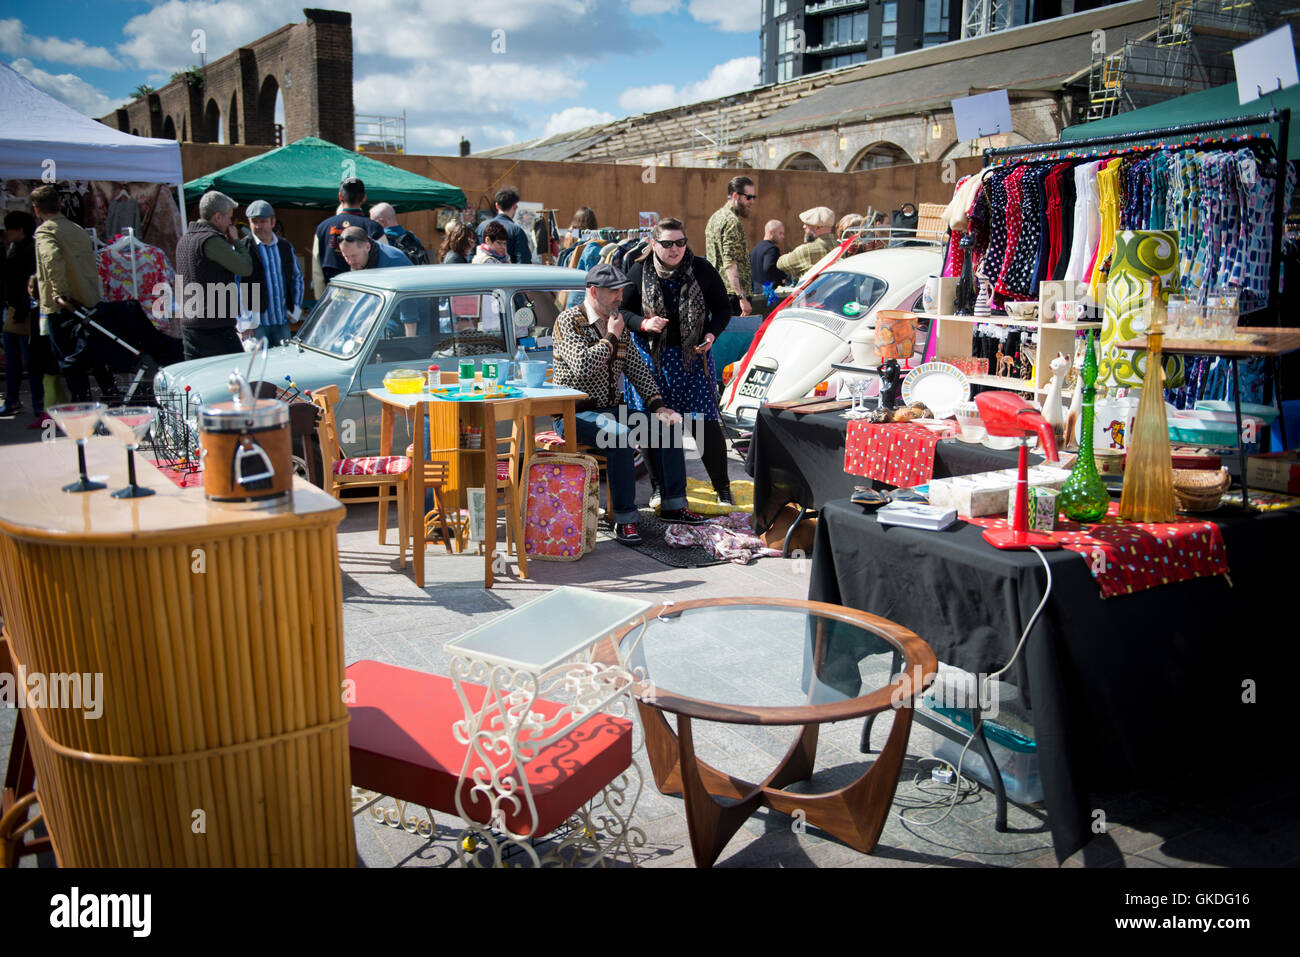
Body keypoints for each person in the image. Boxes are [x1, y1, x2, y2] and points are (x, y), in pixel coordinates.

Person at [551, 262, 705, 544]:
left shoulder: (617, 320)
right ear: (594, 292)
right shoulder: (569, 321)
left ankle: (673, 505)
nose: (620, 298)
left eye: (621, 291)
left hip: (613, 411)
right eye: (614, 292)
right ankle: (625, 520)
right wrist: (611, 337)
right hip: (574, 415)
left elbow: (636, 368)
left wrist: (658, 405)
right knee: (619, 437)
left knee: (668, 427)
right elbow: (582, 366)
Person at [620, 217, 736, 506]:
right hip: (650, 359)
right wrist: (644, 324)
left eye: (680, 243)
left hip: (693, 358)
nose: (675, 249)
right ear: (653, 244)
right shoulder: (638, 270)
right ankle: (660, 487)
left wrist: (711, 335)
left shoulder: (702, 269)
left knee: (704, 423)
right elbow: (622, 311)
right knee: (650, 425)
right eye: (668, 243)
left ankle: (722, 487)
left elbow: (723, 308)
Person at [31, 184, 104, 403]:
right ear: (60, 204)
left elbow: (52, 259)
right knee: (94, 357)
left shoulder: (45, 231)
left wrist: (58, 293)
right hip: (88, 301)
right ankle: (110, 398)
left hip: (64, 306)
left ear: (36, 209)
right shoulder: (77, 229)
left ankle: (81, 407)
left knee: (70, 362)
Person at [172, 190, 255, 361]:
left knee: (197, 382)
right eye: (229, 217)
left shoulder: (185, 240)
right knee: (235, 379)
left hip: (190, 325)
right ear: (217, 217)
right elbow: (245, 268)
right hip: (215, 327)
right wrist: (237, 241)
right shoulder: (211, 240)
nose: (230, 223)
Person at [242, 200, 303, 348]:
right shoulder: (243, 247)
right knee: (259, 366)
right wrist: (243, 321)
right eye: (254, 222)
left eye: (262, 221)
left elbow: (297, 277)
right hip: (256, 323)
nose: (258, 226)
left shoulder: (285, 246)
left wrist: (295, 307)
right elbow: (235, 284)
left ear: (273, 222)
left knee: (285, 365)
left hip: (282, 320)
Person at [2, 211, 43, 422]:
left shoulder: (30, 249)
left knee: (30, 361)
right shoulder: (14, 247)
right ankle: (12, 400)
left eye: (9, 228)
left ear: (19, 230)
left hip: (27, 312)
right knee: (13, 361)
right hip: (14, 310)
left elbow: (32, 284)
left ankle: (38, 405)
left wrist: (21, 307)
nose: (6, 232)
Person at [314, 178, 386, 287]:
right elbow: (385, 266)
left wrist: (321, 297)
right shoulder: (374, 228)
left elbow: (317, 271)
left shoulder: (323, 227)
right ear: (364, 198)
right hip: (367, 296)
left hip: (334, 296)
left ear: (340, 197)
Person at [703, 175, 755, 317]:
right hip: (732, 297)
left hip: (716, 291)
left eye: (753, 197)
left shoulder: (715, 217)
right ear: (735, 195)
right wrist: (742, 297)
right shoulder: (732, 222)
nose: (751, 202)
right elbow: (730, 263)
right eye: (748, 197)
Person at [777, 206, 838, 283]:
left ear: (818, 227)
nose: (804, 226)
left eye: (807, 224)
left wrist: (792, 254)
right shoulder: (843, 246)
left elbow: (780, 264)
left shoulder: (806, 250)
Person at [474, 186, 532, 263]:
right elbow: (523, 261)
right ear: (515, 206)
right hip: (508, 274)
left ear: (497, 205)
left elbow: (471, 255)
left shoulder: (481, 227)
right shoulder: (517, 231)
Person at [749, 219, 787, 294]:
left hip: (755, 293)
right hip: (769, 294)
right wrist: (785, 274)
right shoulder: (772, 249)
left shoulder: (755, 249)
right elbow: (769, 267)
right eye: (780, 233)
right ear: (771, 232)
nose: (783, 236)